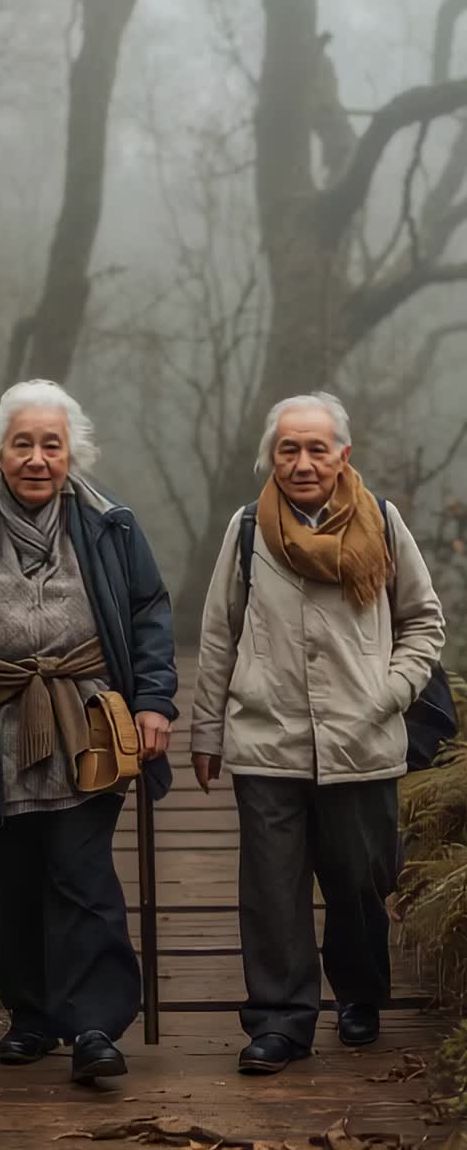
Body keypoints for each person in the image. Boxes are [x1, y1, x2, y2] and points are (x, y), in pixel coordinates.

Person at [0, 379, 177, 1084]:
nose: (37, 458)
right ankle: (28, 1017)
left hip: (89, 722)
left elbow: (149, 612)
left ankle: (92, 1028)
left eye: (51, 445)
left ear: (70, 454)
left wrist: (152, 702)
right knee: (5, 882)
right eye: (22, 443)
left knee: (82, 878)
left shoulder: (110, 525)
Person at [191, 392, 444, 1075]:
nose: (302, 463)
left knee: (360, 884)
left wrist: (388, 694)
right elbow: (220, 634)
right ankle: (281, 1020)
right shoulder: (247, 530)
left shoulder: (383, 524)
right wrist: (206, 733)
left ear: (342, 455)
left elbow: (424, 623)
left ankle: (360, 994)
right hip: (265, 740)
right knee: (271, 890)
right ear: (272, 455)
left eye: (316, 449)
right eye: (288, 449)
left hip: (362, 743)